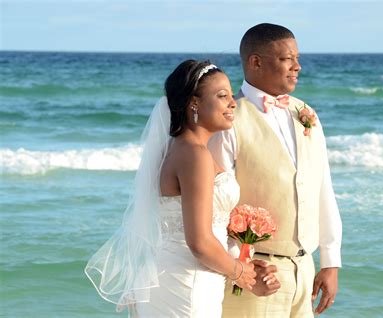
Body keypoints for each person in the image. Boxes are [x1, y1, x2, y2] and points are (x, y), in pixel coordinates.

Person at [85, 60, 262, 317]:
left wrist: (238, 253)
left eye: (231, 95)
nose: (233, 102)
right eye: (222, 96)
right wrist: (239, 272)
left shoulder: (178, 149)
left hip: (178, 277)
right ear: (194, 103)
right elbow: (199, 241)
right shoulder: (195, 155)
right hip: (187, 285)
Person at [208, 23, 342, 317]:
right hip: (254, 273)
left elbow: (322, 188)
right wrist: (238, 264)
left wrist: (330, 261)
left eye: (297, 58)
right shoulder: (229, 119)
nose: (297, 66)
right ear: (256, 62)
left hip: (303, 272)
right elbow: (214, 206)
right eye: (287, 59)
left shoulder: (306, 113)